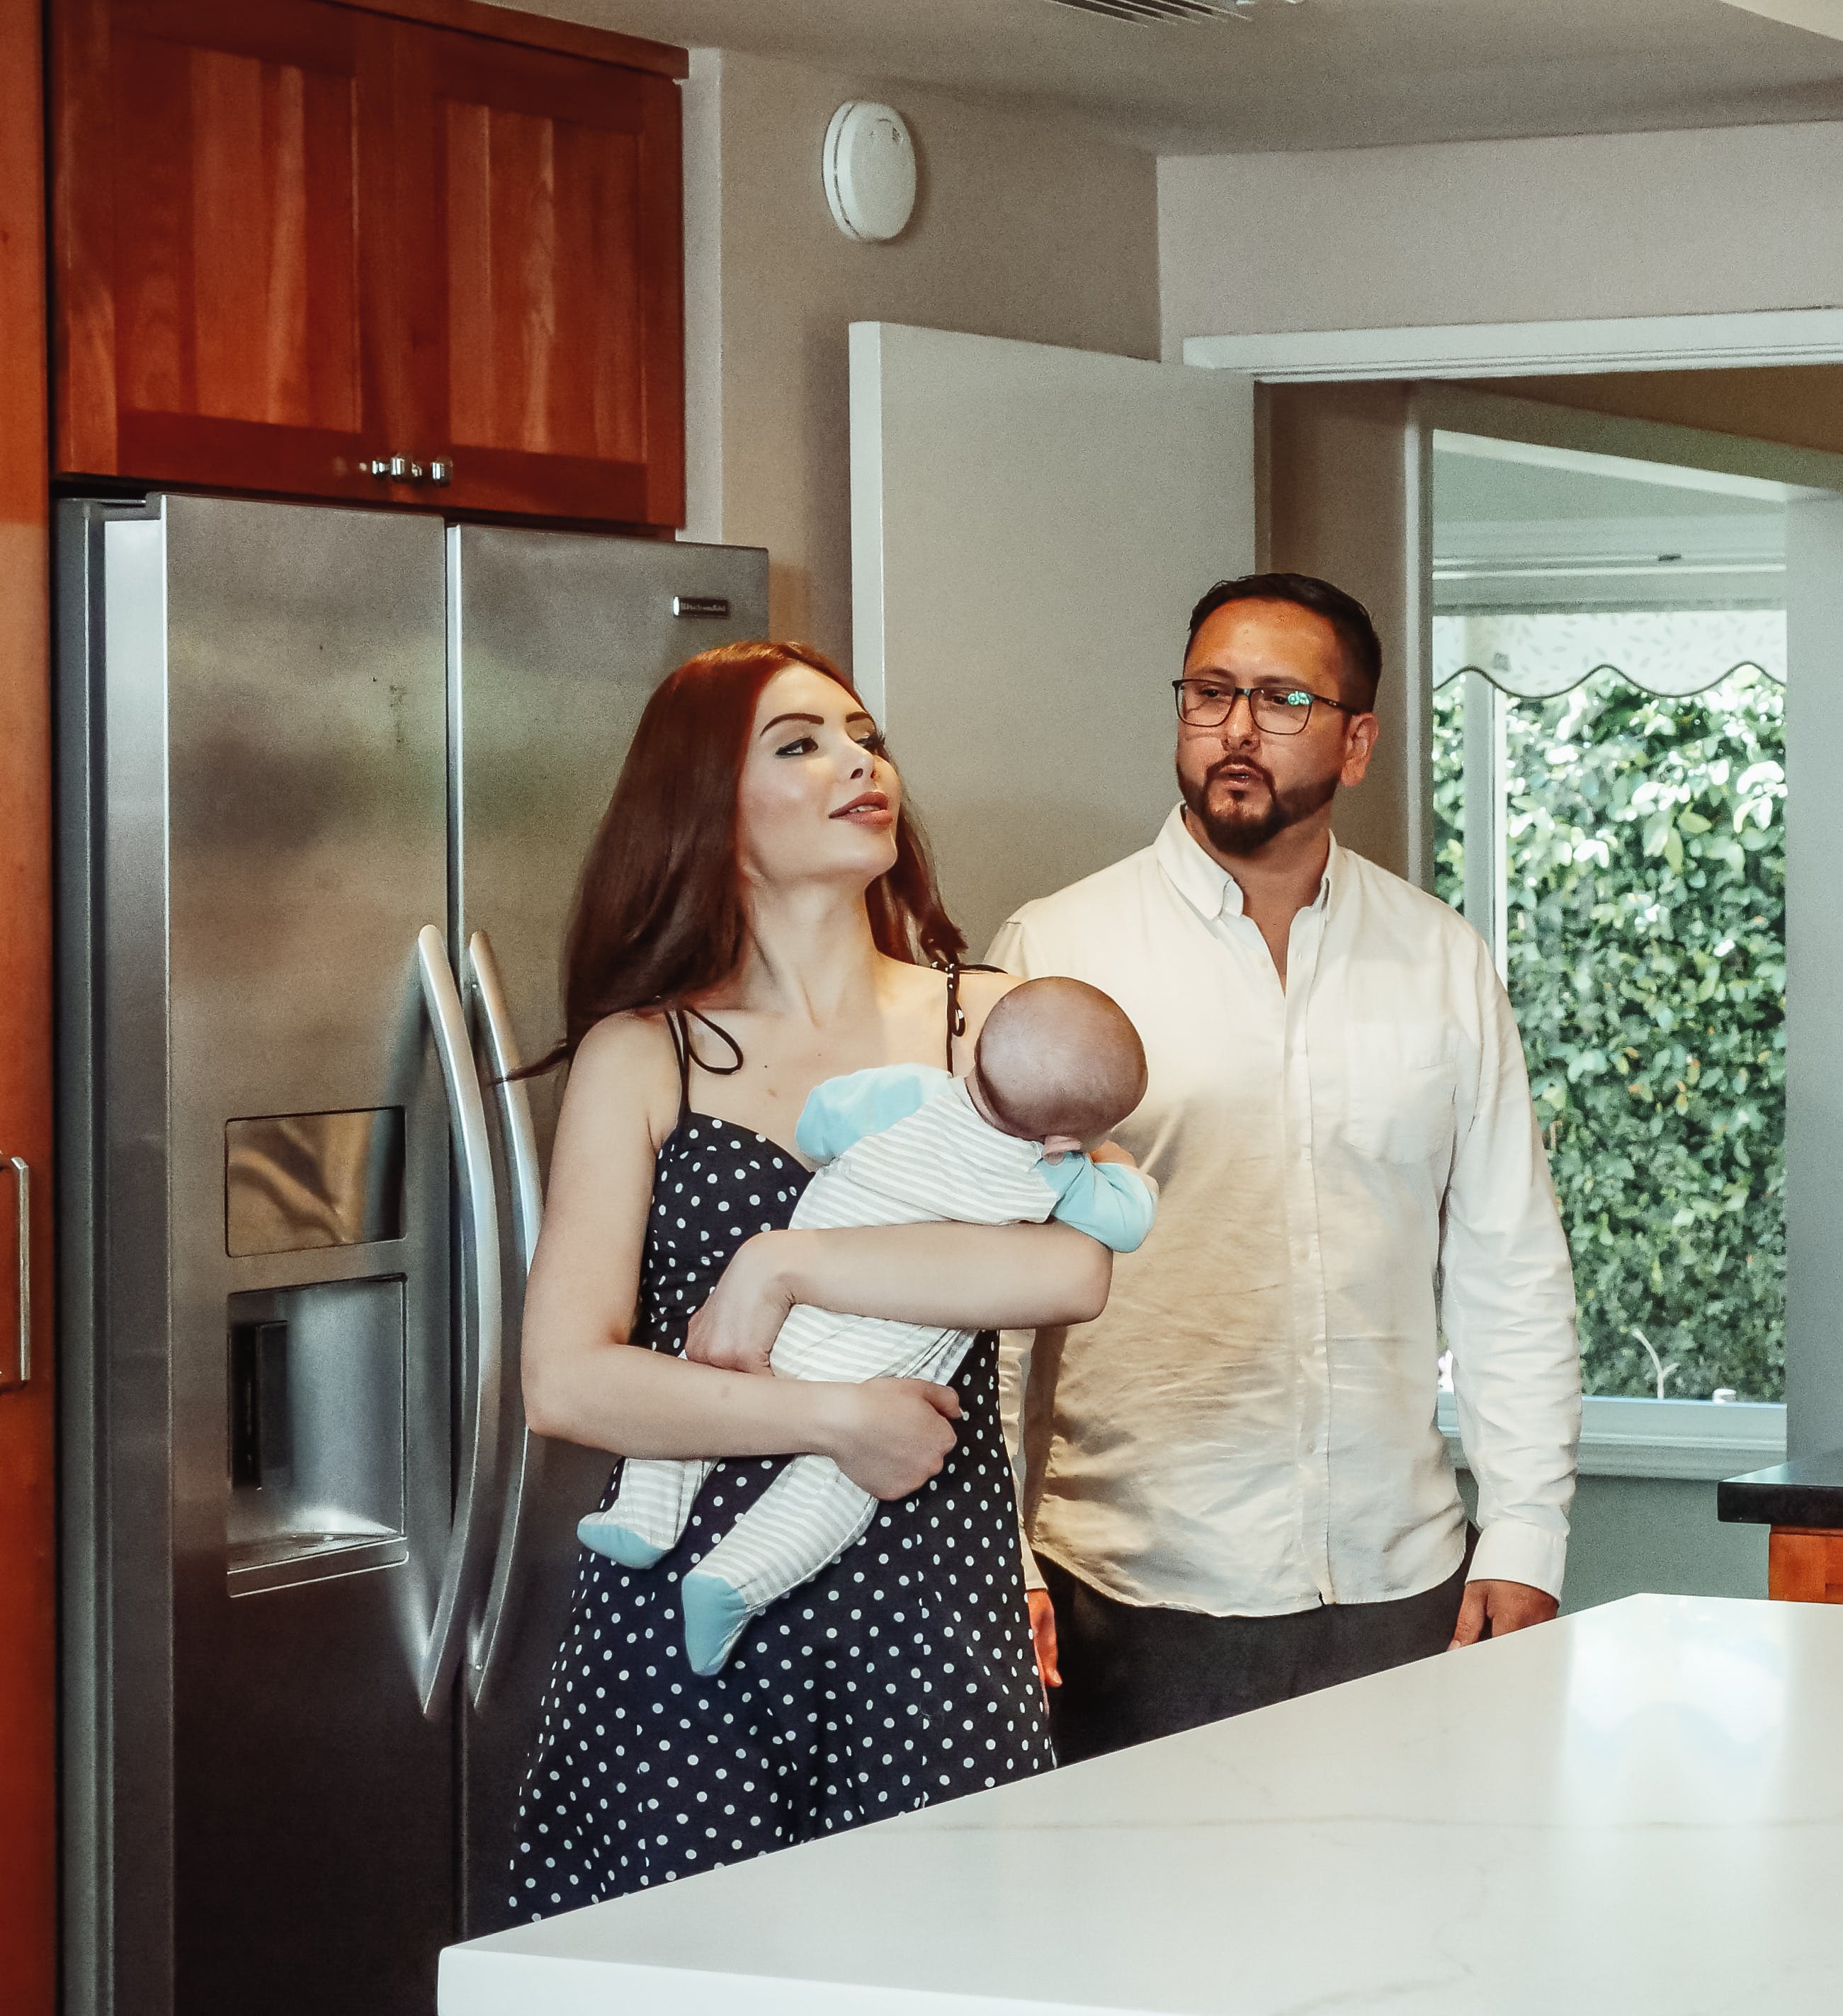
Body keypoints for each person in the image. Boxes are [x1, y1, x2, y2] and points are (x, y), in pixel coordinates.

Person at [504, 640, 1116, 1920]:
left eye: (863, 737)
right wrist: (832, 1416)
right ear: (707, 814)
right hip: (681, 1617)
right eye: (799, 745)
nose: (857, 762)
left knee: (942, 1971)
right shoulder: (645, 1053)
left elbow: (1068, 1267)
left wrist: (789, 1261)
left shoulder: (988, 1021)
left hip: (931, 1609)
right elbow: (565, 1379)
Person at [988, 571, 1584, 1761]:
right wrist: (995, 1551)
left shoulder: (1440, 961)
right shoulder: (1056, 951)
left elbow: (1508, 1267)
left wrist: (1524, 1536)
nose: (1237, 731)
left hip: (1397, 1582)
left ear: (1356, 742)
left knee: (1406, 1932)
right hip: (1125, 1587)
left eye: (1280, 700)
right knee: (1139, 1944)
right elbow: (988, 1292)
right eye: (1209, 694)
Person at [577, 977, 1161, 1674]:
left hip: (781, 1322)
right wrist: (1113, 1164)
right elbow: (1126, 1224)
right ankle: (732, 1582)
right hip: (884, 1365)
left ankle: (644, 1513)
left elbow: (819, 1126)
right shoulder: (1054, 1175)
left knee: (697, 1384)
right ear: (1066, 1135)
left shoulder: (909, 1094)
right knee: (829, 1491)